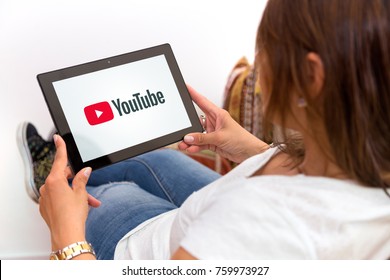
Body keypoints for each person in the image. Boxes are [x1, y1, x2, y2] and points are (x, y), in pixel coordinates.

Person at [20, 0, 390, 260]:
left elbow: (259, 222)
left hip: (153, 247)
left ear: (311, 77)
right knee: (148, 157)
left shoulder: (263, 220)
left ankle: (48, 180)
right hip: (218, 212)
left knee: (113, 188)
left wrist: (66, 237)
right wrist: (255, 151)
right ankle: (63, 152)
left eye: (266, 48)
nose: (260, 62)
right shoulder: (368, 172)